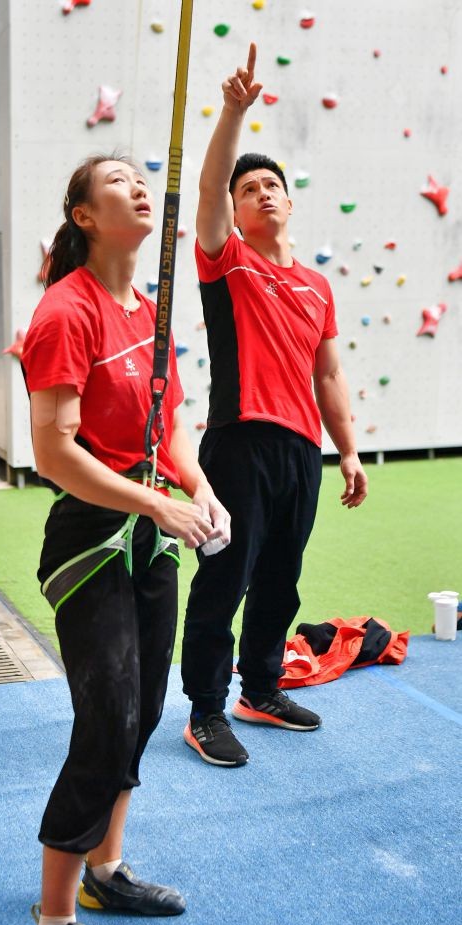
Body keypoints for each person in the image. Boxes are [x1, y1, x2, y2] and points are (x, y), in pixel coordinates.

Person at [22, 154, 230, 925]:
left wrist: (198, 486)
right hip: (88, 540)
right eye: (116, 178)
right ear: (82, 215)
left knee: (142, 711)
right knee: (104, 718)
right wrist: (153, 504)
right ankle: (52, 921)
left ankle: (106, 871)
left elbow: (169, 420)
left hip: (150, 536)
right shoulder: (64, 312)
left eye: (140, 175)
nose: (138, 183)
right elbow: (52, 452)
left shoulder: (150, 308)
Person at [181, 44, 368, 768]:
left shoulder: (318, 288)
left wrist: (346, 450)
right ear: (232, 211)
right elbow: (203, 197)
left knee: (280, 582)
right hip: (237, 441)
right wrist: (233, 112)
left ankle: (259, 690)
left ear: (289, 202)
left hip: (300, 450)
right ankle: (204, 708)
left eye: (270, 185)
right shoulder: (227, 262)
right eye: (246, 188)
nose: (260, 193)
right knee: (224, 578)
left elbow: (329, 375)